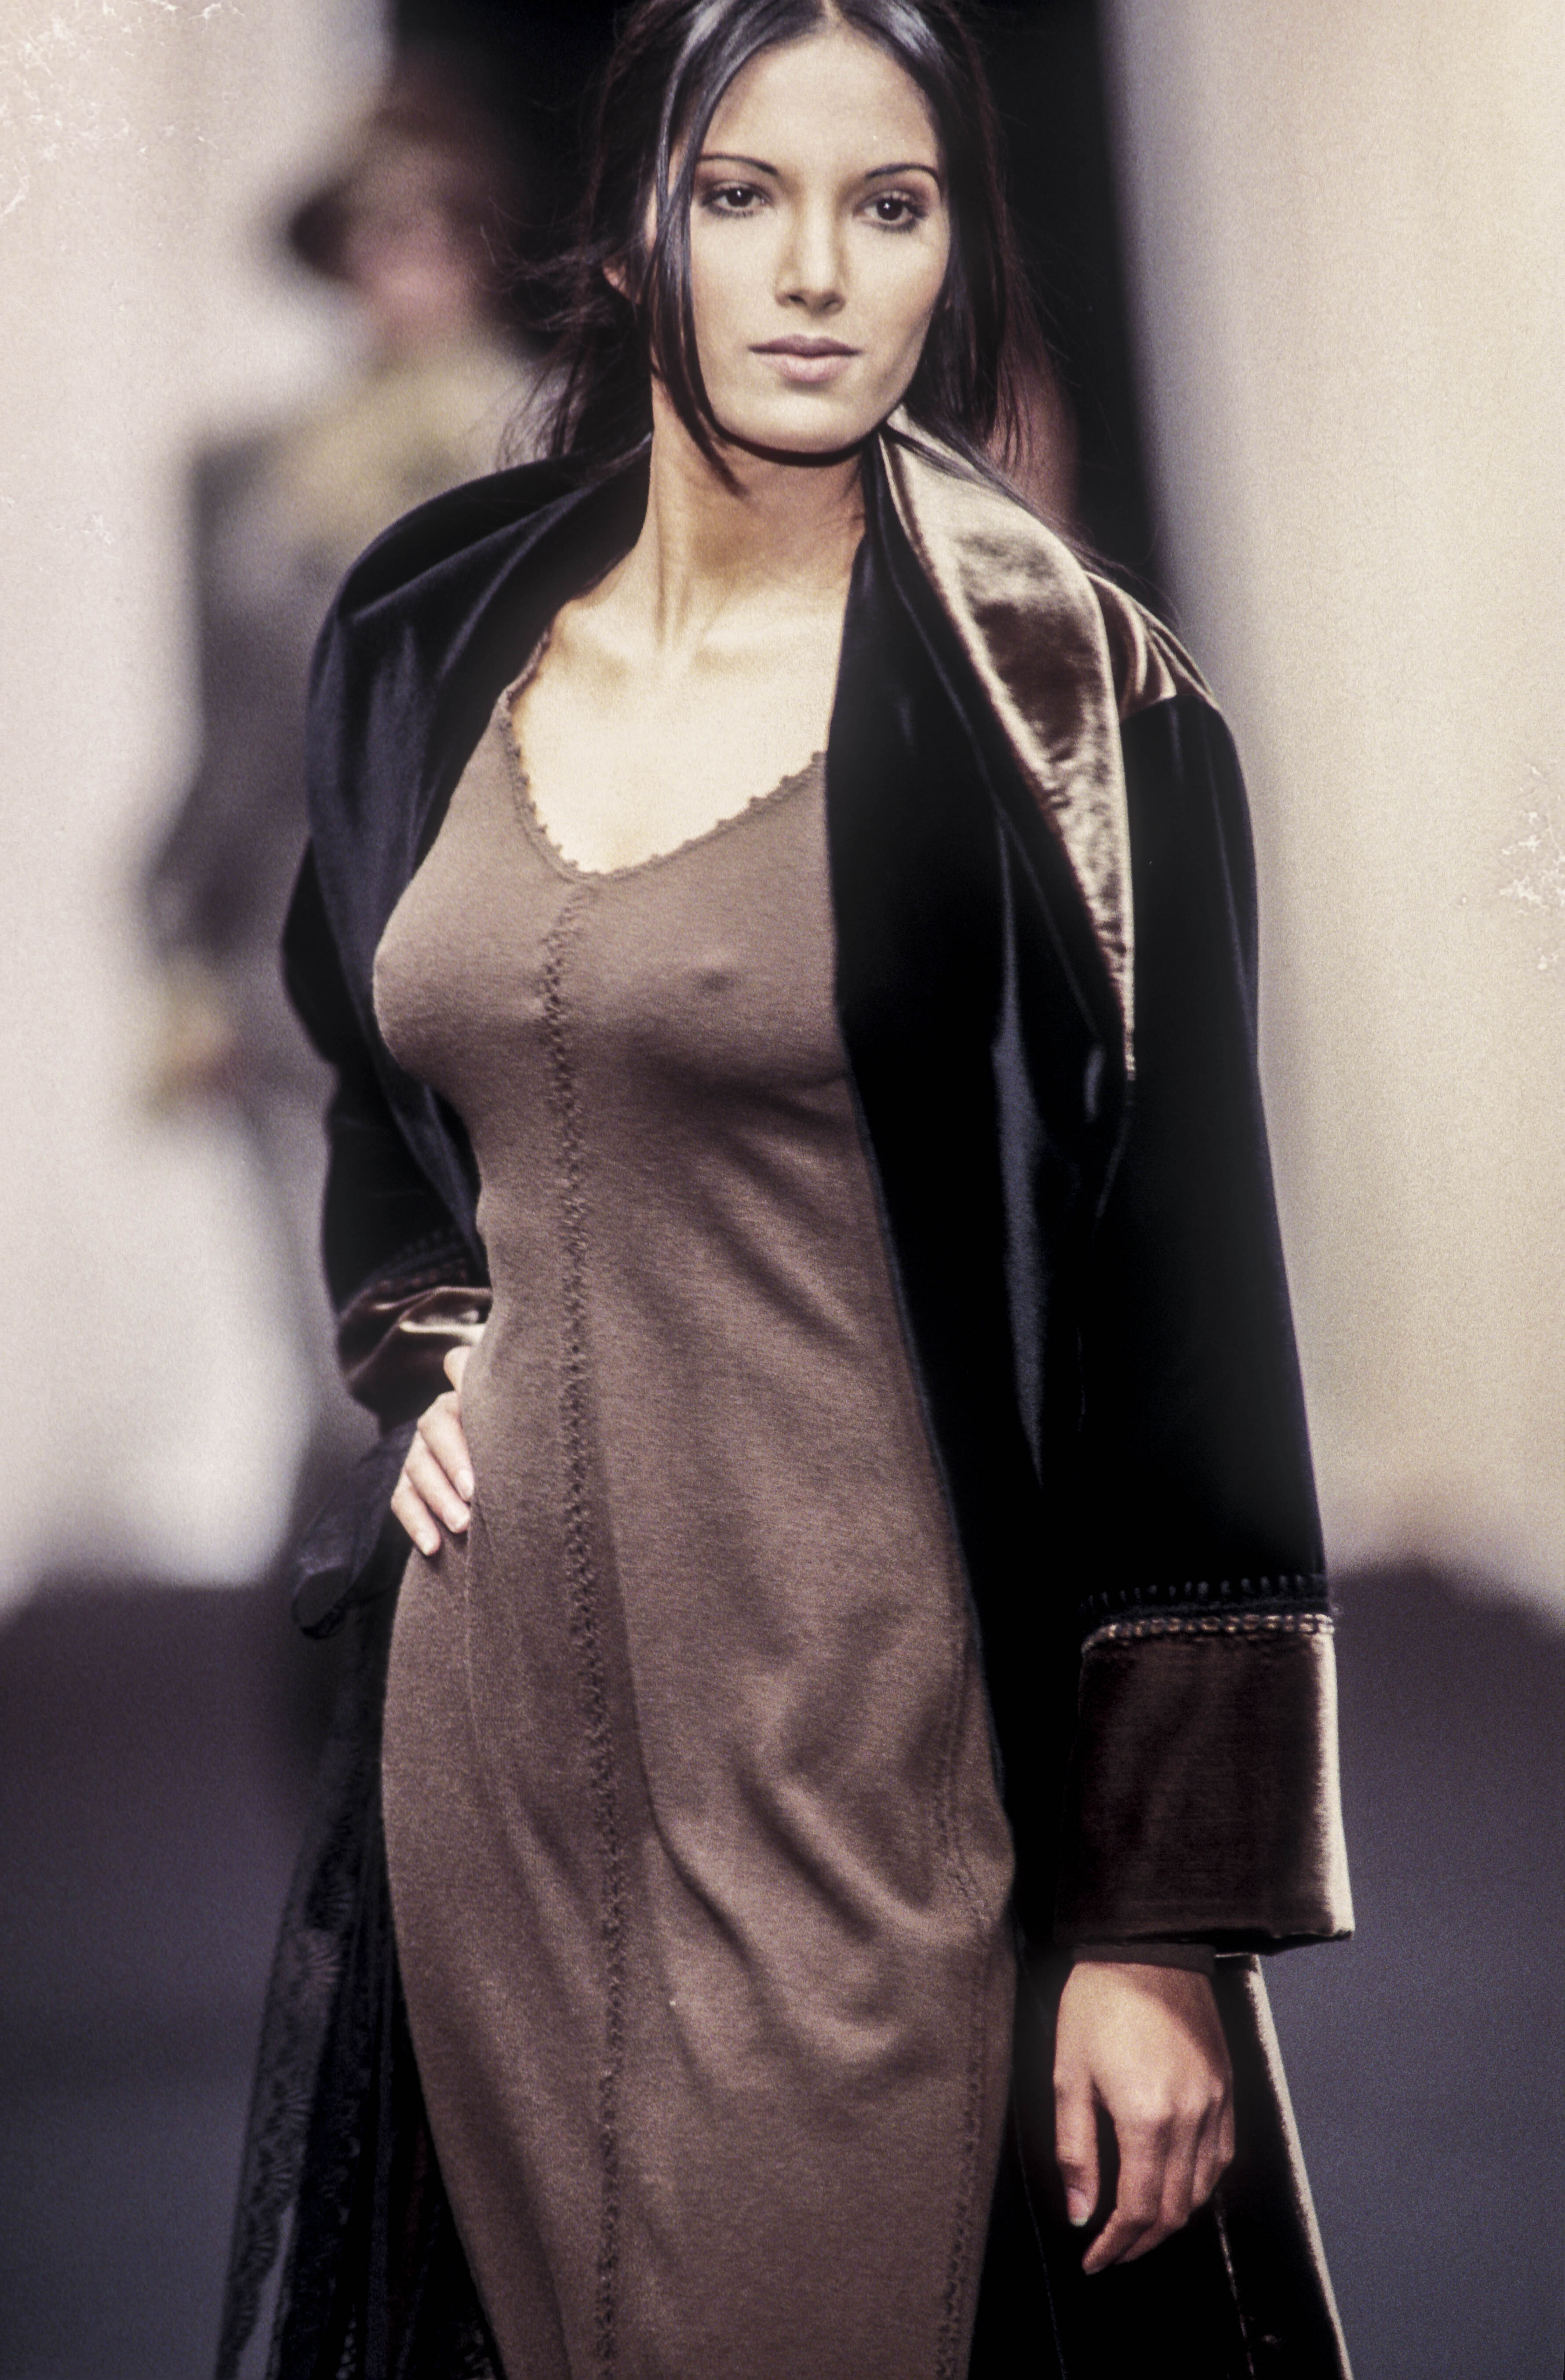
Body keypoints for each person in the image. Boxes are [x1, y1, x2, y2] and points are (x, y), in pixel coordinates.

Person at [217, 4, 1353, 2375]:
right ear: (636, 236)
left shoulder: (1059, 702)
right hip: (485, 1765)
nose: (818, 270)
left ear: (955, 254)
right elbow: (372, 1071)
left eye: (888, 205)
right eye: (744, 196)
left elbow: (1189, 1321)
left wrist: (1161, 1931)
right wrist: (423, 1331)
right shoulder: (429, 629)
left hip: (865, 1775)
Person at [146, 48, 549, 1511]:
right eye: (375, 232)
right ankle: (376, 1645)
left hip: (514, 944)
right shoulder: (245, 477)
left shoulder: (565, 443)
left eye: (437, 226)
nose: (407, 262)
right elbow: (224, 737)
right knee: (351, 1367)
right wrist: (181, 955)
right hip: (295, 957)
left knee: (535, 1355)